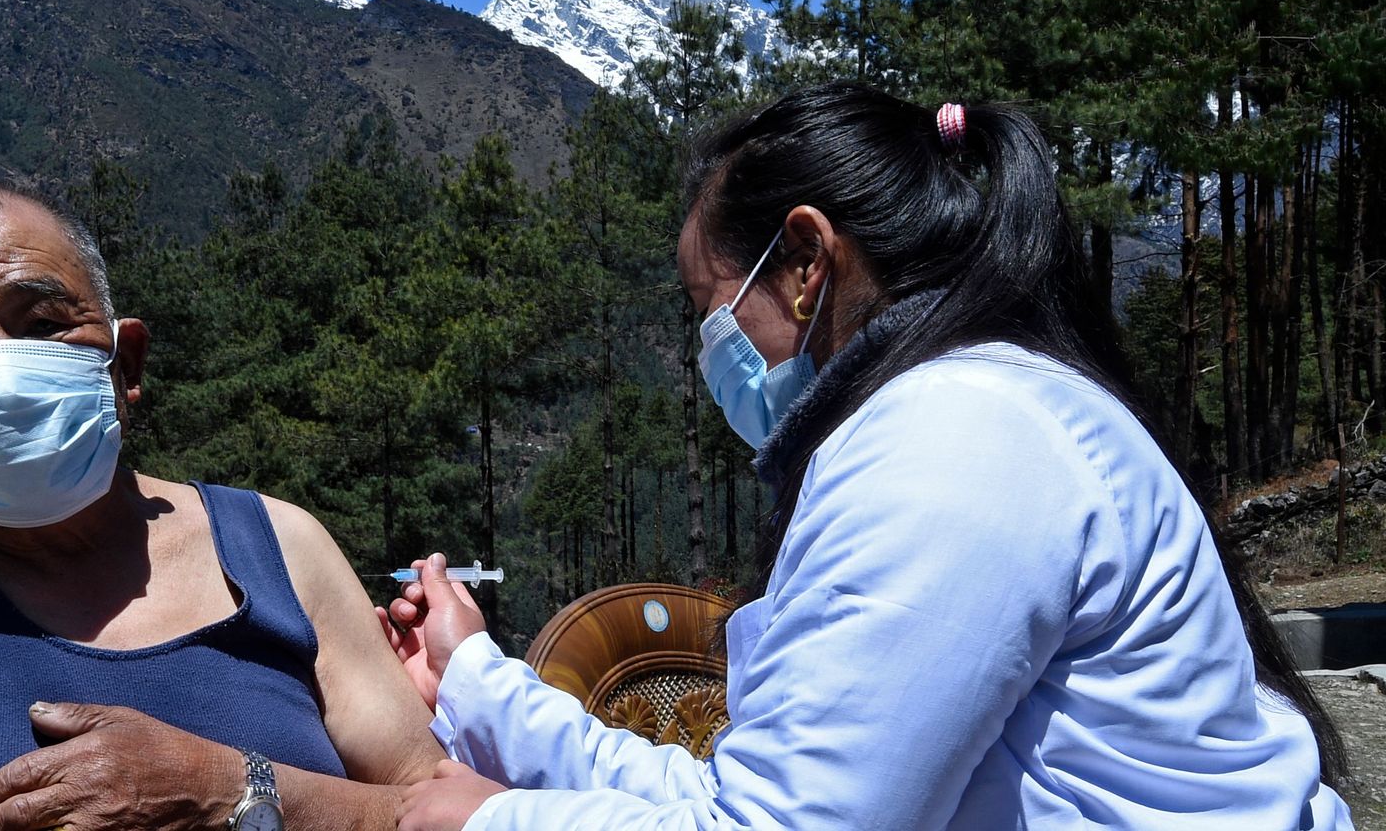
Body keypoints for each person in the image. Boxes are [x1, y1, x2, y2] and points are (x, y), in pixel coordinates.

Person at [378, 83, 1354, 830]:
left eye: (709, 308)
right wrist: (472, 678)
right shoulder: (976, 410)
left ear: (806, 265)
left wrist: (479, 814)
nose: (709, 348)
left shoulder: (949, 449)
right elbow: (755, 792)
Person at [0, 184, 445, 831]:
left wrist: (235, 793)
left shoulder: (279, 546)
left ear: (125, 365)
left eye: (40, 324)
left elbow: (447, 810)